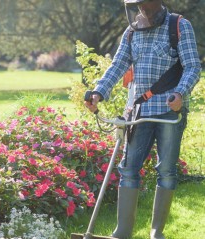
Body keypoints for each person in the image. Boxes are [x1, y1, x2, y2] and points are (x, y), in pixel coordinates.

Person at [85, 0, 201, 238]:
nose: (142, 12)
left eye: (145, 6)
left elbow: (192, 67)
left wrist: (180, 93)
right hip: (139, 112)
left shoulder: (179, 25)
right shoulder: (131, 32)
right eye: (137, 7)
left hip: (170, 110)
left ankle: (156, 233)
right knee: (128, 168)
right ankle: (123, 232)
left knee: (167, 171)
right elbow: (118, 65)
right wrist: (98, 92)